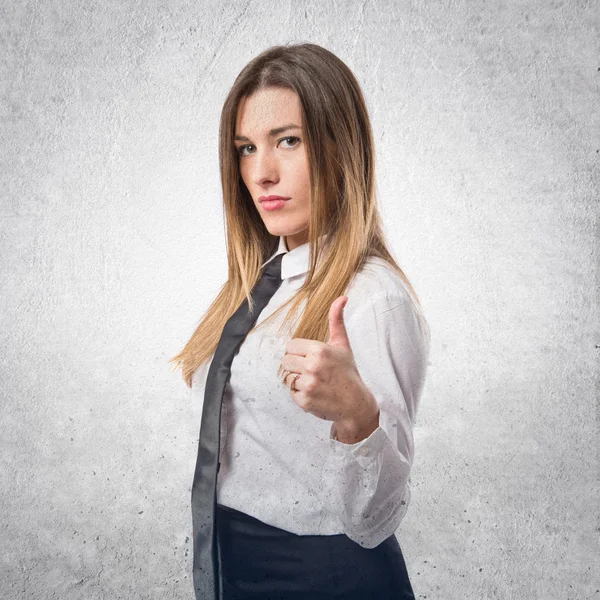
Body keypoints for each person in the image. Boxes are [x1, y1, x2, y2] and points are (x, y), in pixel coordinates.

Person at [170, 42, 430, 600]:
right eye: (245, 148)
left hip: (325, 580)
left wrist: (359, 416)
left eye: (288, 140)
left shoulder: (372, 298)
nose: (261, 173)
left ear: (341, 146)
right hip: (234, 568)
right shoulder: (260, 281)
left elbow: (376, 519)